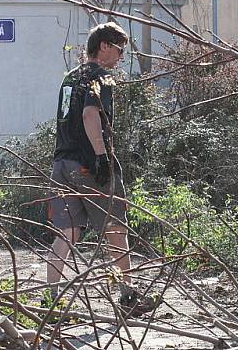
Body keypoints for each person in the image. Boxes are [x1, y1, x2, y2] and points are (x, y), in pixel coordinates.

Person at [46, 21, 158, 317]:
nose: (122, 57)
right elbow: (89, 114)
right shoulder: (101, 78)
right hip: (88, 164)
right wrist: (101, 158)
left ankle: (51, 300)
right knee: (115, 228)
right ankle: (127, 297)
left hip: (62, 164)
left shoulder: (70, 78)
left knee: (66, 232)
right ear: (104, 46)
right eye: (119, 49)